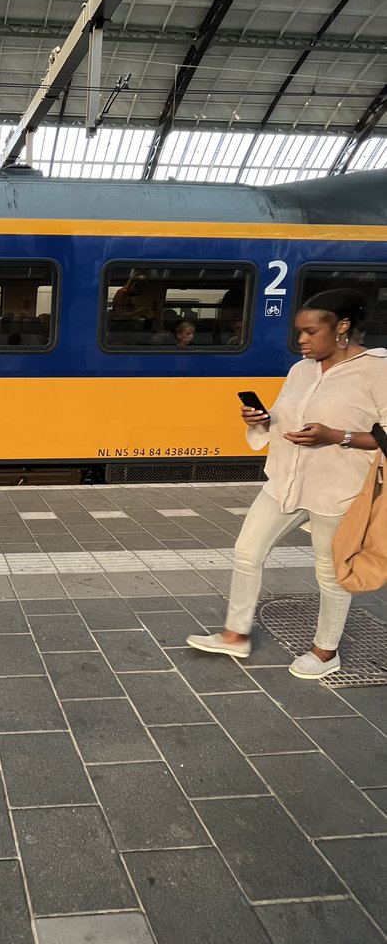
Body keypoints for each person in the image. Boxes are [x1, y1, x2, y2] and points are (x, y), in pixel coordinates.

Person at [186, 289, 387, 679]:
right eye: (299, 333)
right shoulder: (301, 370)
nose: (302, 341)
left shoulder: (377, 370)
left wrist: (336, 436)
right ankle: (235, 635)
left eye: (311, 332)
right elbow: (284, 418)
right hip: (286, 481)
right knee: (247, 551)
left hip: (339, 489)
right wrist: (262, 420)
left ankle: (326, 652)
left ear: (342, 327)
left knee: (331, 571)